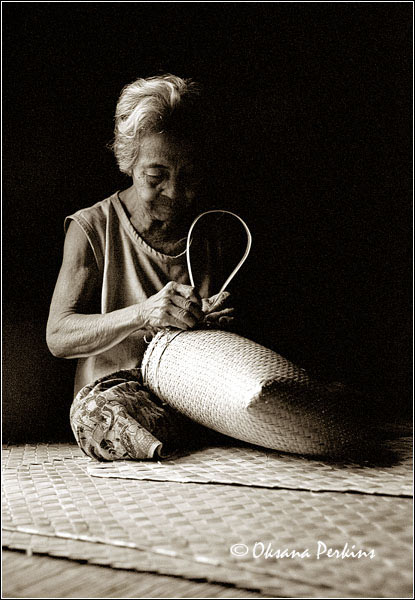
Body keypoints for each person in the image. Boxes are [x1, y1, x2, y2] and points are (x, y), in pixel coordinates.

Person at [46, 74, 236, 461]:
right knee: (96, 417)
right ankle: (176, 450)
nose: (174, 192)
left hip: (195, 393)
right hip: (119, 395)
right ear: (129, 163)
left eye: (188, 177)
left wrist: (217, 327)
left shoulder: (213, 231)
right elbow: (58, 336)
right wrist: (144, 314)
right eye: (156, 176)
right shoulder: (92, 228)